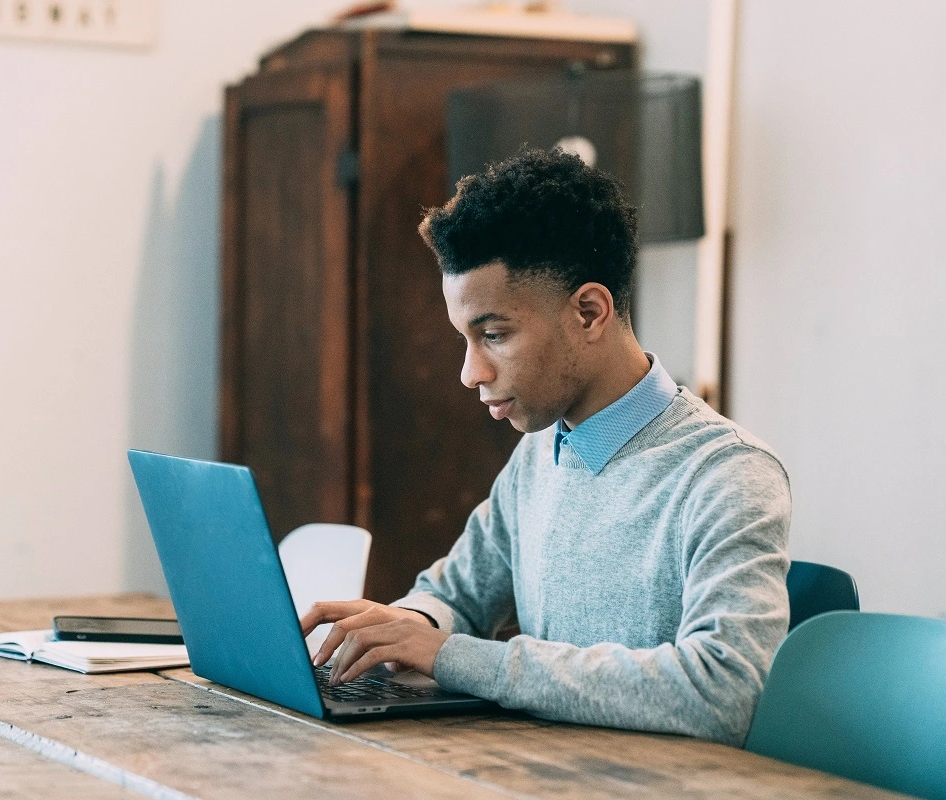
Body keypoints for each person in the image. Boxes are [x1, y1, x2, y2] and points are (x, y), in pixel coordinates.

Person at [298, 148, 791, 747]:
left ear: (589, 312)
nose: (469, 373)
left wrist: (455, 657)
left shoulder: (728, 475)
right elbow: (455, 596)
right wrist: (404, 626)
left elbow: (723, 692)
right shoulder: (540, 452)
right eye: (465, 338)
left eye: (494, 335)